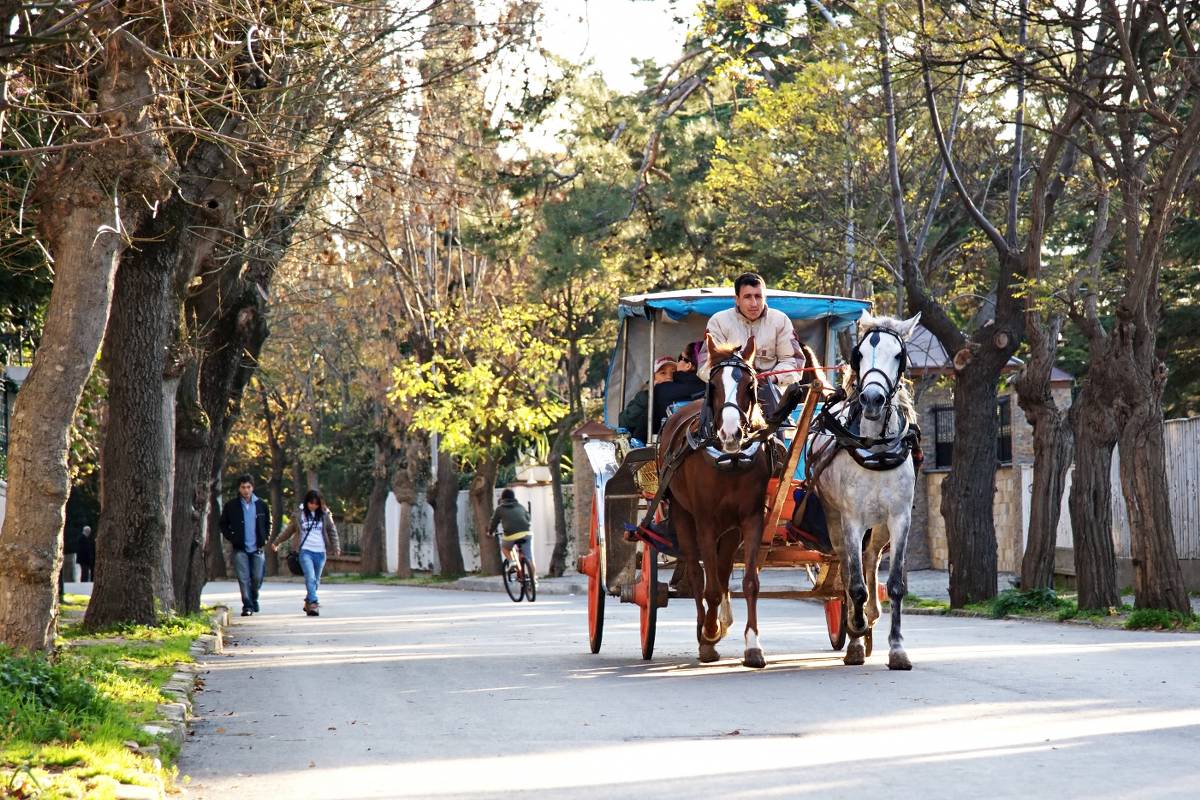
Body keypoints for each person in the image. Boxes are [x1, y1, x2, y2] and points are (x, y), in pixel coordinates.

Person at [698, 272, 804, 417]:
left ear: (764, 298)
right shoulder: (718, 321)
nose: (754, 303)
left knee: (769, 394)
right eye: (747, 297)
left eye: (758, 296)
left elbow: (793, 362)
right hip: (728, 390)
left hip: (769, 391)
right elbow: (705, 364)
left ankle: (777, 438)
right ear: (737, 299)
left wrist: (772, 377)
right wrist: (730, 379)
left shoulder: (781, 320)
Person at [270, 490, 340, 617]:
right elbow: (288, 531)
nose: (313, 506)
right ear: (306, 502)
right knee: (310, 577)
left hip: (320, 551)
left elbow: (332, 531)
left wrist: (336, 547)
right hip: (305, 551)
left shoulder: (324, 514)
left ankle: (308, 601)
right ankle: (313, 603)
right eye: (311, 503)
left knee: (316, 580)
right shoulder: (300, 514)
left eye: (316, 504)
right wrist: (277, 541)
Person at [219, 474, 271, 616]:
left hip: (257, 548)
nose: (246, 490)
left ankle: (253, 598)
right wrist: (233, 538)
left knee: (257, 577)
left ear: (252, 487)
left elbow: (268, 524)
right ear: (239, 488)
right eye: (243, 487)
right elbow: (223, 524)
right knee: (243, 578)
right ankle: (247, 605)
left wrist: (265, 539)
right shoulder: (231, 506)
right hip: (240, 548)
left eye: (248, 487)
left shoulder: (261, 504)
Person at [619, 355, 677, 440]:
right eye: (663, 373)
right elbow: (625, 421)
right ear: (653, 378)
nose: (669, 377)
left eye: (673, 373)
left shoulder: (684, 394)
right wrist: (651, 396)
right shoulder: (644, 396)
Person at [489, 488, 534, 578]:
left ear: (502, 498)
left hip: (510, 535)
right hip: (526, 533)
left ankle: (511, 561)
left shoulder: (500, 508)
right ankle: (533, 581)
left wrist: (490, 532)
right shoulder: (520, 506)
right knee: (529, 559)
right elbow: (528, 518)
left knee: (505, 548)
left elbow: (494, 522)